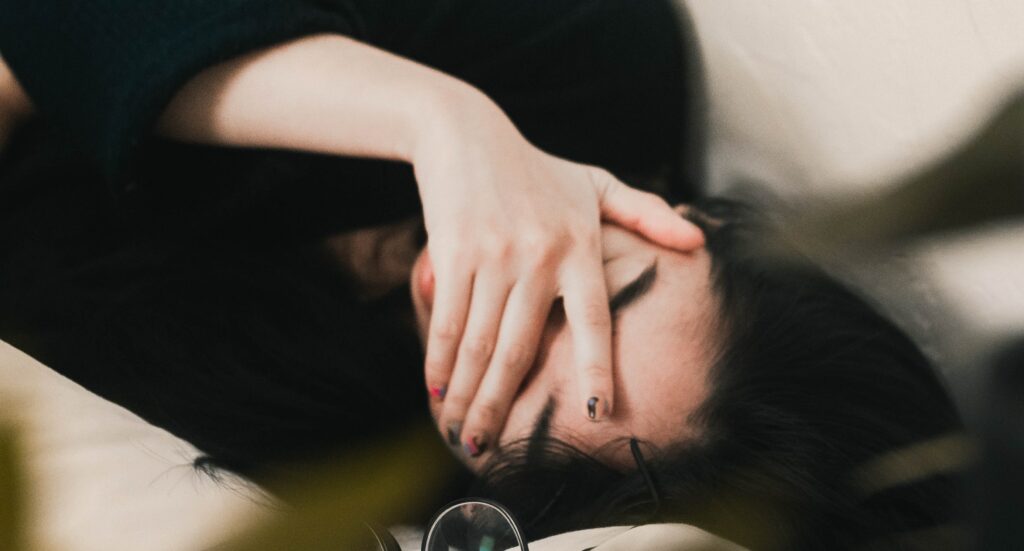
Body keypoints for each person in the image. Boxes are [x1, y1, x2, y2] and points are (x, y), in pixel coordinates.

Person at [0, 1, 964, 548]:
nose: (482, 302)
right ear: (690, 224)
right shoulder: (582, 55)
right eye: (596, 291)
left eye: (506, 391)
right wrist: (440, 121)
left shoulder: (326, 452)